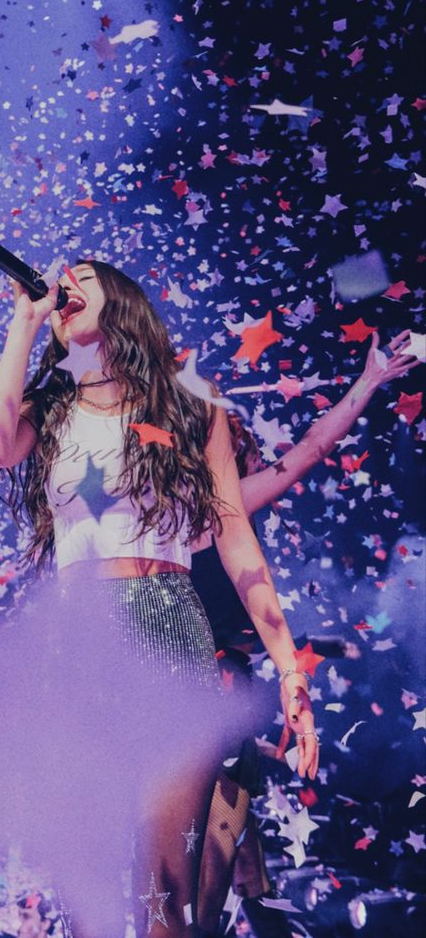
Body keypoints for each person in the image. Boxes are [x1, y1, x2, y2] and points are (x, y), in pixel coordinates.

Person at [0, 260, 318, 938]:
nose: (61, 285)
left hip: (168, 623)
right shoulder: (50, 408)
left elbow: (235, 537)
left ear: (123, 300)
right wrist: (24, 319)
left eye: (79, 277)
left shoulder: (193, 404)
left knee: (167, 898)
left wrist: (289, 667)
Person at [193, 329, 419, 935]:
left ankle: (240, 908)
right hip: (183, 680)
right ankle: (244, 906)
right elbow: (313, 448)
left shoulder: (215, 508)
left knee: (225, 822)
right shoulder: (180, 514)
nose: (244, 459)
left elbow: (314, 447)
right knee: (216, 833)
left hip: (212, 684)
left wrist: (370, 380)